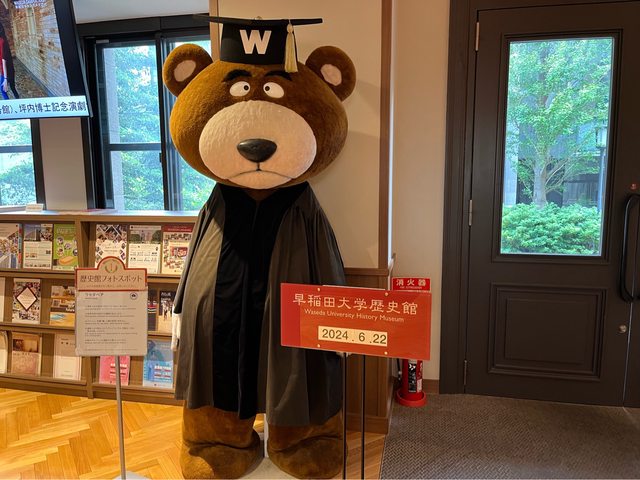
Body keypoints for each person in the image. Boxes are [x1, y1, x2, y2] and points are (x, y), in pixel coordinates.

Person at [0, 22, 19, 99]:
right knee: (13, 88)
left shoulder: (1, 41)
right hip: (10, 70)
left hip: (6, 71)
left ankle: (9, 105)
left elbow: (3, 60)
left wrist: (5, 79)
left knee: (3, 90)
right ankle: (18, 101)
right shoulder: (3, 40)